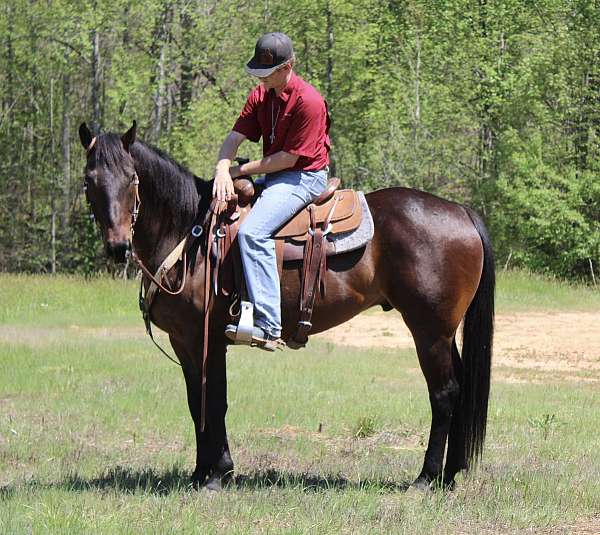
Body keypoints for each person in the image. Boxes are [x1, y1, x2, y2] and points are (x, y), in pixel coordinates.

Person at [213, 32, 331, 351]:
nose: (261, 79)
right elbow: (235, 136)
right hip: (277, 174)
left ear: (288, 66)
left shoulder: (309, 101)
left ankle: (268, 324)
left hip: (304, 176)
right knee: (219, 208)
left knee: (253, 233)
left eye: (267, 73)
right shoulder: (261, 95)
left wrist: (239, 170)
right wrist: (223, 166)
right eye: (259, 73)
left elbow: (288, 159)